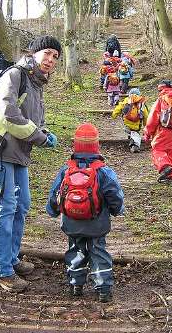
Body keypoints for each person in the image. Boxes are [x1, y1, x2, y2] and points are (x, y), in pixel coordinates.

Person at [0, 35, 62, 292]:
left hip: (18, 153)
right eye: (47, 53)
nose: (50, 60)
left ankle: (10, 259)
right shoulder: (14, 75)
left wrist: (44, 131)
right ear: (34, 53)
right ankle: (0, 270)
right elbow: (7, 111)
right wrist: (38, 137)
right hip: (0, 150)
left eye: (55, 57)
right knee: (5, 207)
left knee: (21, 204)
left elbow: (32, 115)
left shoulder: (36, 81)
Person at [46, 123, 124, 303]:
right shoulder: (103, 171)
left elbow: (55, 194)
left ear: (75, 145)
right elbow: (114, 195)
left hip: (72, 222)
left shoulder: (66, 170)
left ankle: (75, 285)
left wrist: (52, 211)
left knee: (75, 249)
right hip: (97, 223)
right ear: (97, 146)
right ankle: (103, 288)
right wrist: (117, 210)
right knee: (98, 251)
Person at [142, 80, 172, 185]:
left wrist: (147, 133)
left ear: (161, 89)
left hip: (164, 132)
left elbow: (153, 118)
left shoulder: (162, 100)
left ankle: (165, 167)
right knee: (171, 154)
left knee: (157, 150)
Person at [112, 87, 149, 152]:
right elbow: (145, 115)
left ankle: (133, 143)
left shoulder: (126, 100)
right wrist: (145, 125)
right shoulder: (141, 102)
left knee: (130, 131)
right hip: (137, 123)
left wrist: (114, 115)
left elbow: (119, 108)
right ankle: (135, 145)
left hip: (127, 122)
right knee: (135, 133)